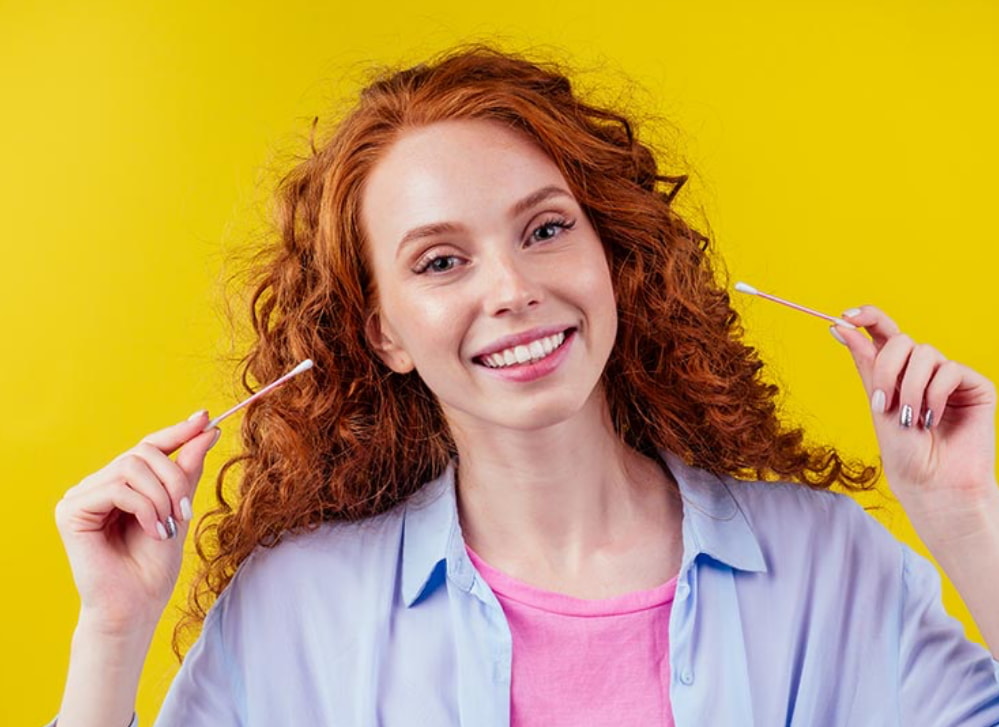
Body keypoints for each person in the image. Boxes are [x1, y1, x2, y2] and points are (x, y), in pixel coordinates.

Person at [52, 44, 999, 726]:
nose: (512, 290)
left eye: (545, 230)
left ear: (608, 253)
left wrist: (965, 518)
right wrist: (113, 631)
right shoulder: (296, 609)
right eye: (439, 261)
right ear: (383, 333)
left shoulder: (833, 564)